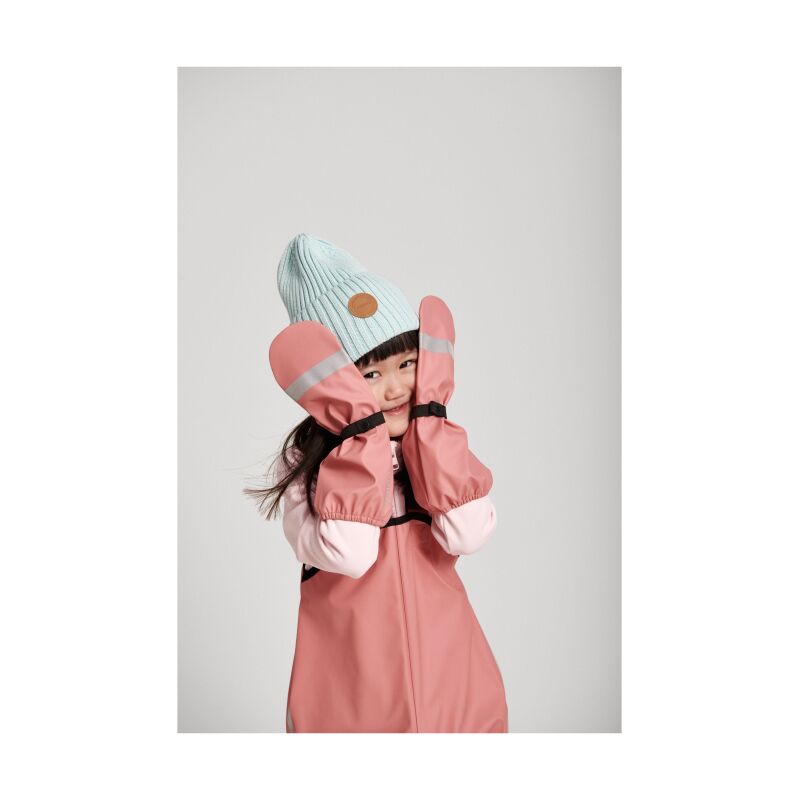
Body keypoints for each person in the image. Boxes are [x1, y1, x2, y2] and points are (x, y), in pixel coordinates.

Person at [246, 233, 508, 732]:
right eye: (369, 375)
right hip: (352, 695)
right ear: (332, 384)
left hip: (453, 679)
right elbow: (350, 555)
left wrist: (430, 436)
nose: (394, 388)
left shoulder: (435, 445)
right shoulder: (304, 468)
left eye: (407, 364)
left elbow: (469, 534)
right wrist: (362, 442)